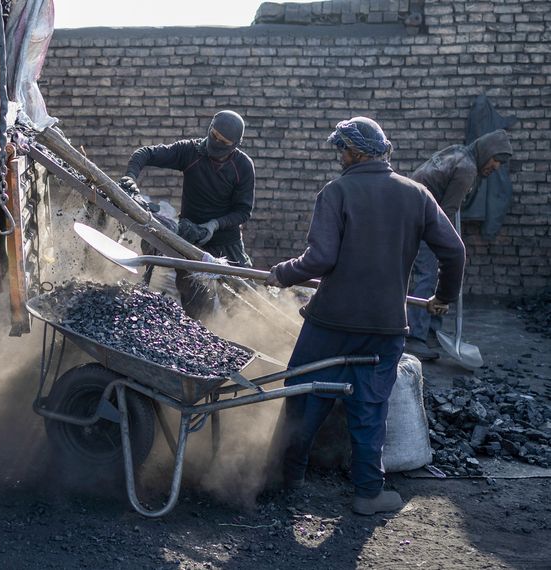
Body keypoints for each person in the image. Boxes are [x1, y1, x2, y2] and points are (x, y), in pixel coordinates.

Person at [265, 117, 466, 515]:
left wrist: (282, 274)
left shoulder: (336, 192)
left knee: (304, 397)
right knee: (370, 407)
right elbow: (455, 252)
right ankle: (369, 492)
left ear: (355, 153)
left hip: (330, 323)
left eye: (342, 150)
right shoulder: (418, 194)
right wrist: (443, 296)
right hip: (385, 326)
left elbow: (321, 258)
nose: (339, 157)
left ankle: (287, 478)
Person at [120, 110, 255, 320]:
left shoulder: (243, 167)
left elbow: (243, 211)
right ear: (210, 129)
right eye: (214, 136)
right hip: (191, 240)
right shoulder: (190, 152)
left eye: (224, 142)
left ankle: (249, 340)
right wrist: (130, 178)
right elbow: (144, 153)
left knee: (242, 302)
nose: (216, 143)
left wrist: (214, 225)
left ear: (235, 144)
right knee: (196, 305)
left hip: (226, 242)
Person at [405, 129, 513, 360]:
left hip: (414, 211)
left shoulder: (458, 153)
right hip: (419, 218)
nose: (496, 167)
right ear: (487, 152)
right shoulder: (466, 169)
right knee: (428, 275)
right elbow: (446, 213)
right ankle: (414, 338)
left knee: (432, 273)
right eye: (496, 159)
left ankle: (431, 329)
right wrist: (452, 247)